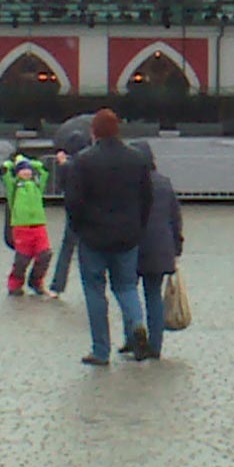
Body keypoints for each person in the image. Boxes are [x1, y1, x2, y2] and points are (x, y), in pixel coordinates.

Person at [63, 109, 154, 366]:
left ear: (94, 131)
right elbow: (147, 198)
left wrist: (79, 228)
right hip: (127, 236)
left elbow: (73, 202)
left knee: (94, 292)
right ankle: (136, 324)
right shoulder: (136, 159)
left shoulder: (83, 161)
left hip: (93, 236)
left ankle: (101, 350)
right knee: (126, 287)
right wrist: (138, 228)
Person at [129, 140, 183, 360]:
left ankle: (132, 338)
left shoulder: (130, 183)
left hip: (133, 245)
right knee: (153, 296)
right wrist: (177, 245)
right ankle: (156, 345)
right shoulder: (164, 183)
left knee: (128, 293)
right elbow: (175, 216)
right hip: (161, 246)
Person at [45, 112, 94, 297]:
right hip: (93, 213)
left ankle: (57, 285)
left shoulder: (68, 167)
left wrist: (63, 165)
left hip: (74, 214)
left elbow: (60, 187)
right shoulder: (91, 163)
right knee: (91, 252)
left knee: (66, 249)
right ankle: (94, 284)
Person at [4, 155, 52, 296]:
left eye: (28, 170)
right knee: (22, 259)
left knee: (45, 254)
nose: (26, 172)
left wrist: (30, 162)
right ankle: (15, 285)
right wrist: (13, 164)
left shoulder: (37, 185)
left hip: (39, 225)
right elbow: (4, 172)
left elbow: (45, 171)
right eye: (23, 170)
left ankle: (36, 281)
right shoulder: (14, 186)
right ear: (17, 172)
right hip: (21, 227)